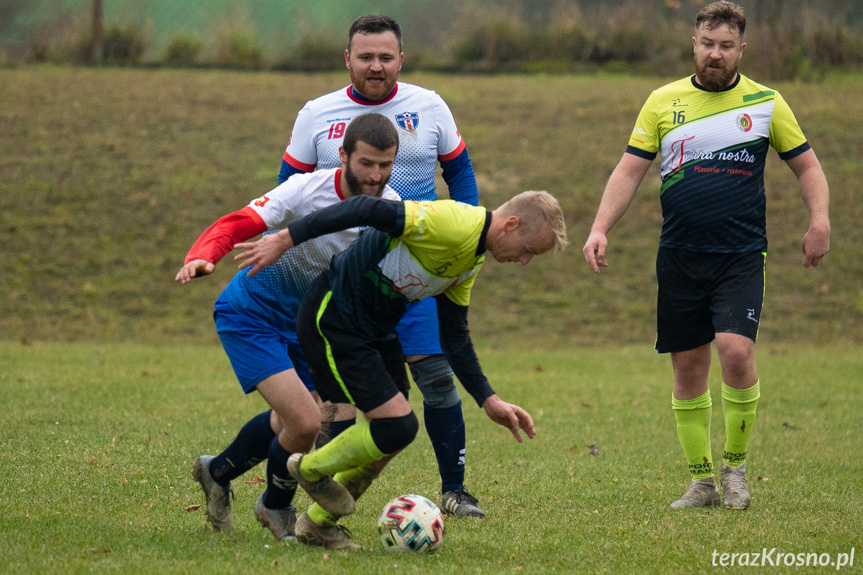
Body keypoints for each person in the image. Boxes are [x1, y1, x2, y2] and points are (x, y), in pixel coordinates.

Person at [582, 1, 830, 510]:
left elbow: (807, 167)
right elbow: (629, 171)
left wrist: (819, 220)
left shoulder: (766, 101)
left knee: (736, 352)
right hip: (679, 255)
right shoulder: (661, 101)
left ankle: (735, 469)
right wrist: (601, 227)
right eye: (706, 44)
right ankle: (701, 482)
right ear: (693, 45)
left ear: (741, 49)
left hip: (740, 254)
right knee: (688, 368)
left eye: (725, 46)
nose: (714, 54)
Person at [234, 190, 568, 548]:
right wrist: (286, 238)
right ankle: (310, 470)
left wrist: (489, 399)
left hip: (376, 330)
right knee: (398, 424)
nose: (525, 261)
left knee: (395, 435)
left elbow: (454, 336)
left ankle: (317, 524)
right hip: (335, 315)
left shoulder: (472, 260)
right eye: (529, 250)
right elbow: (363, 207)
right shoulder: (453, 223)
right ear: (511, 225)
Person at [278, 14, 486, 517]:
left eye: (385, 57)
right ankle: (320, 499)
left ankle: (454, 490)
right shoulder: (316, 113)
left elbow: (461, 174)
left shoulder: (429, 105)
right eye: (365, 57)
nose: (376, 66)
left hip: (413, 276)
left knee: (435, 375)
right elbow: (287, 192)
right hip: (346, 281)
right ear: (347, 58)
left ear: (401, 59)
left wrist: (468, 244)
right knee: (341, 397)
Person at [175, 113, 402, 539]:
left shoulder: (388, 211)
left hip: (308, 328)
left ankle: (218, 470)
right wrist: (204, 254)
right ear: (343, 156)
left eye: (385, 165)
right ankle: (275, 507)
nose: (374, 176)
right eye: (366, 163)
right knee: (304, 422)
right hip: (252, 314)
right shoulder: (306, 188)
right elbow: (242, 221)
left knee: (298, 421)